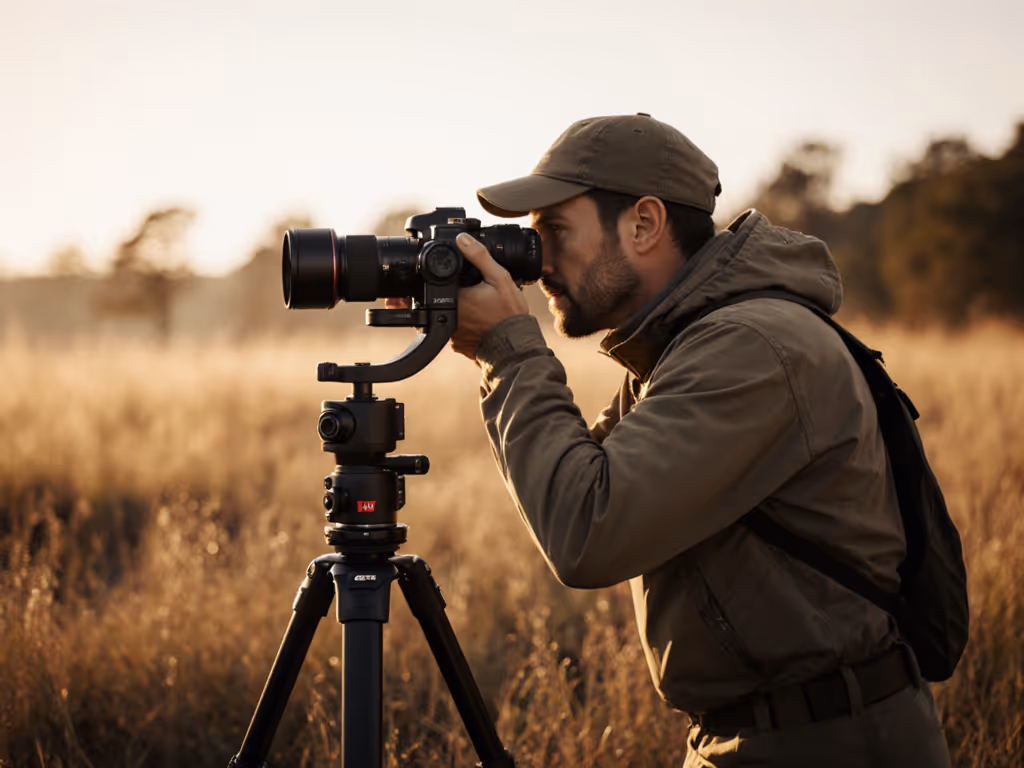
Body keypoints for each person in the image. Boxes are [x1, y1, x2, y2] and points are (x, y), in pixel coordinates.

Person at [441, 113, 953, 767]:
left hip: (826, 743)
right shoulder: (687, 347)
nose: (537, 265)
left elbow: (587, 529)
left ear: (644, 224)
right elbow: (576, 482)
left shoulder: (750, 348)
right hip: (764, 734)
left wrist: (509, 354)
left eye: (555, 234)